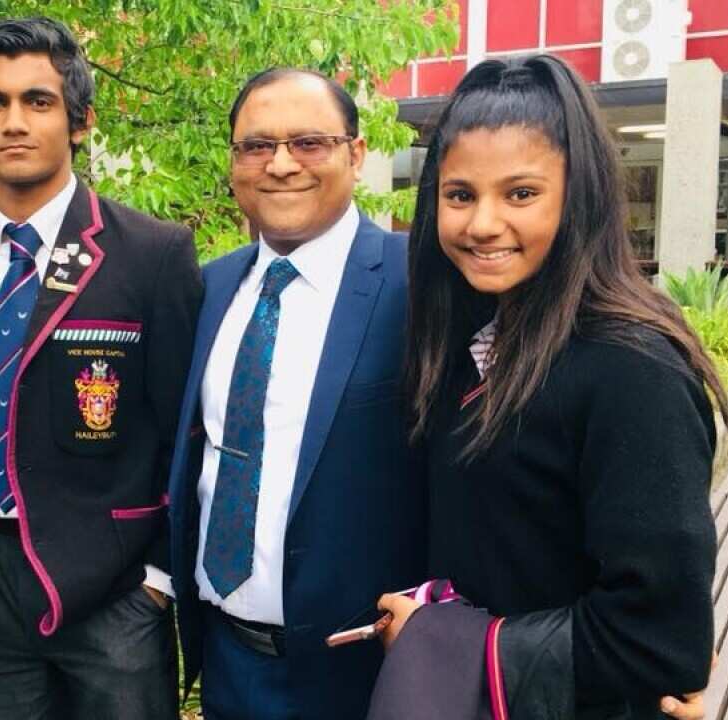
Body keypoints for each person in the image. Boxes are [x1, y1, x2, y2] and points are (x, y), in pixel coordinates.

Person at [370, 55, 719, 720]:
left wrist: (439, 641)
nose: (482, 224)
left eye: (521, 194)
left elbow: (660, 640)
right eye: (460, 195)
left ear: (577, 196)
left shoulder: (632, 368)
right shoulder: (467, 345)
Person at [0, 17, 201, 720]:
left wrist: (159, 581)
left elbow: (188, 432)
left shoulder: (151, 254)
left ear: (79, 122)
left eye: (39, 101)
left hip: (116, 586)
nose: (15, 121)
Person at [166, 67, 424, 720]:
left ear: (357, 154)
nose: (280, 165)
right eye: (257, 146)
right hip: (227, 659)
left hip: (364, 669)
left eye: (308, 142)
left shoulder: (420, 281)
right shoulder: (209, 288)